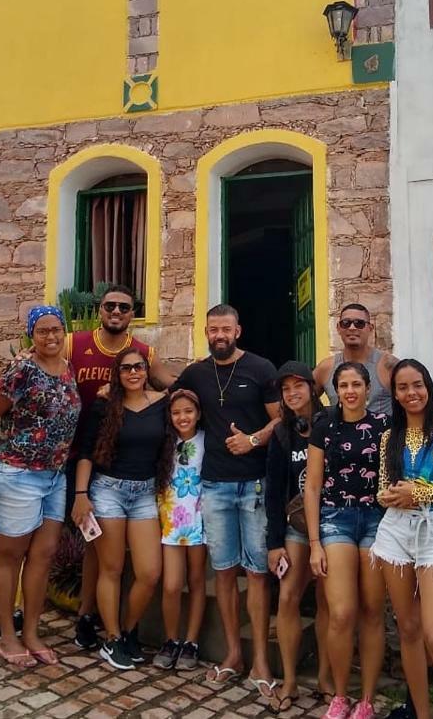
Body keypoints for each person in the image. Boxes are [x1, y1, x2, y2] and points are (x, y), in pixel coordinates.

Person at [172, 304, 280, 705]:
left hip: (253, 485)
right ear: (205, 331)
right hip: (213, 486)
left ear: (239, 330)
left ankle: (262, 662)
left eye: (226, 329)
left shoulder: (261, 368)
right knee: (223, 573)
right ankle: (234, 654)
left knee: (255, 573)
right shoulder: (196, 374)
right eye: (213, 329)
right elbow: (166, 398)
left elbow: (281, 418)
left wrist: (252, 439)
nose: (220, 335)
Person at [65, 283, 178, 650]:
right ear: (100, 309)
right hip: (76, 458)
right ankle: (86, 616)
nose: (116, 312)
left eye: (124, 307)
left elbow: (175, 387)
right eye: (110, 305)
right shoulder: (73, 344)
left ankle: (103, 621)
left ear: (133, 314)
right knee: (92, 553)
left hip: (128, 468)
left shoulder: (145, 353)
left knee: (105, 555)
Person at [0, 306, 81, 667]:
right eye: (43, 331)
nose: (51, 337)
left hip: (54, 476)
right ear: (31, 335)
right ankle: (8, 636)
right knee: (12, 555)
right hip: (15, 474)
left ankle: (32, 632)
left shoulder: (68, 369)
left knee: (44, 555)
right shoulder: (22, 369)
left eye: (57, 330)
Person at [370, 358, 433, 719]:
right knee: (409, 629)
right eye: (402, 388)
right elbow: (382, 491)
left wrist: (422, 493)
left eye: (417, 385)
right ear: (395, 395)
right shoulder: (388, 438)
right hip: (395, 532)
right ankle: (421, 714)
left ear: (428, 389)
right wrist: (395, 496)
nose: (411, 393)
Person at [305, 361, 389, 719]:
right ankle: (340, 695)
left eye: (357, 384)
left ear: (368, 389)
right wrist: (313, 543)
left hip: (376, 521)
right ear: (335, 390)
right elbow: (311, 486)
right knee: (341, 613)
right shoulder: (324, 426)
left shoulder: (384, 427)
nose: (350, 391)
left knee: (372, 611)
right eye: (344, 385)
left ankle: (366, 700)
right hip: (335, 519)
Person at [265, 361, 333, 709]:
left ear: (311, 387)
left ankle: (325, 679)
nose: (292, 394)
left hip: (332, 525)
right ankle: (289, 682)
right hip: (296, 526)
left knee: (327, 602)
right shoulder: (282, 434)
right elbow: (274, 491)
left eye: (298, 386)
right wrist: (274, 542)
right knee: (288, 596)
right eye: (285, 389)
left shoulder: (331, 424)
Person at [152, 388, 207, 671]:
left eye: (188, 411)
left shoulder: (206, 441)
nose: (182, 417)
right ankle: (171, 638)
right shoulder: (165, 443)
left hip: (198, 520)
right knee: (172, 585)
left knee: (197, 581)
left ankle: (191, 642)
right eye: (176, 412)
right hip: (171, 521)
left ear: (198, 414)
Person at [314, 303, 396, 418]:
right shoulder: (326, 368)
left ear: (370, 328)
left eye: (359, 323)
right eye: (346, 323)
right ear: (338, 328)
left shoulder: (387, 365)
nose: (352, 328)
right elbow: (304, 400)